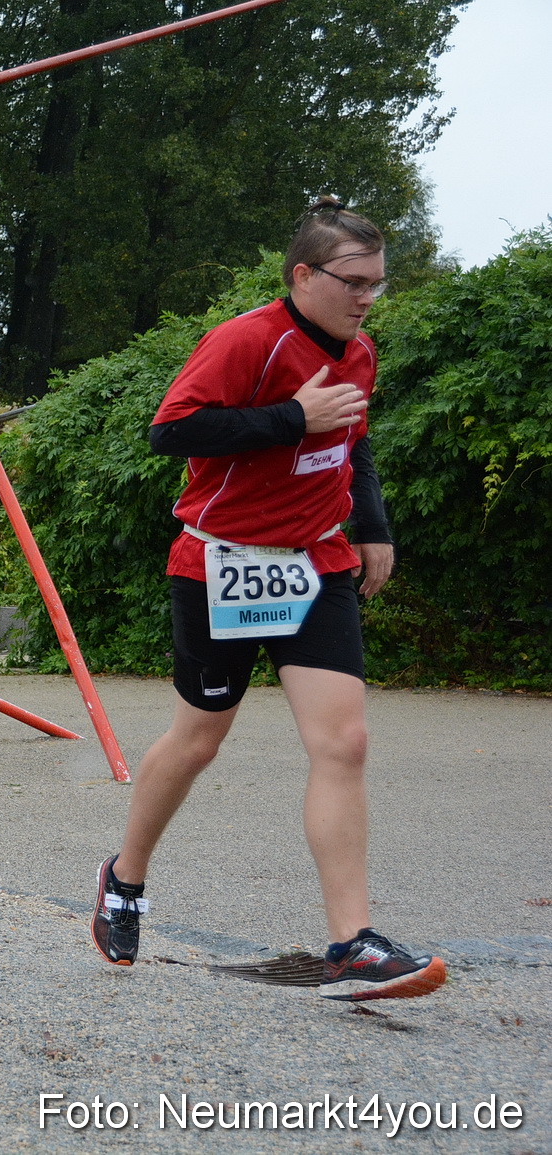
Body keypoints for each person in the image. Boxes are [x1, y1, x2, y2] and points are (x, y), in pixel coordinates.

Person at [90, 198, 446, 1002]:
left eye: (377, 286)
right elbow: (170, 431)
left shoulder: (361, 354)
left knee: (343, 741)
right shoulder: (248, 339)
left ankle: (351, 946)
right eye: (353, 282)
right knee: (199, 738)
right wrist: (291, 417)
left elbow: (353, 446)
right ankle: (124, 879)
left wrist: (375, 526)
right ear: (303, 275)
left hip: (316, 565)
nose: (364, 299)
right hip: (222, 563)